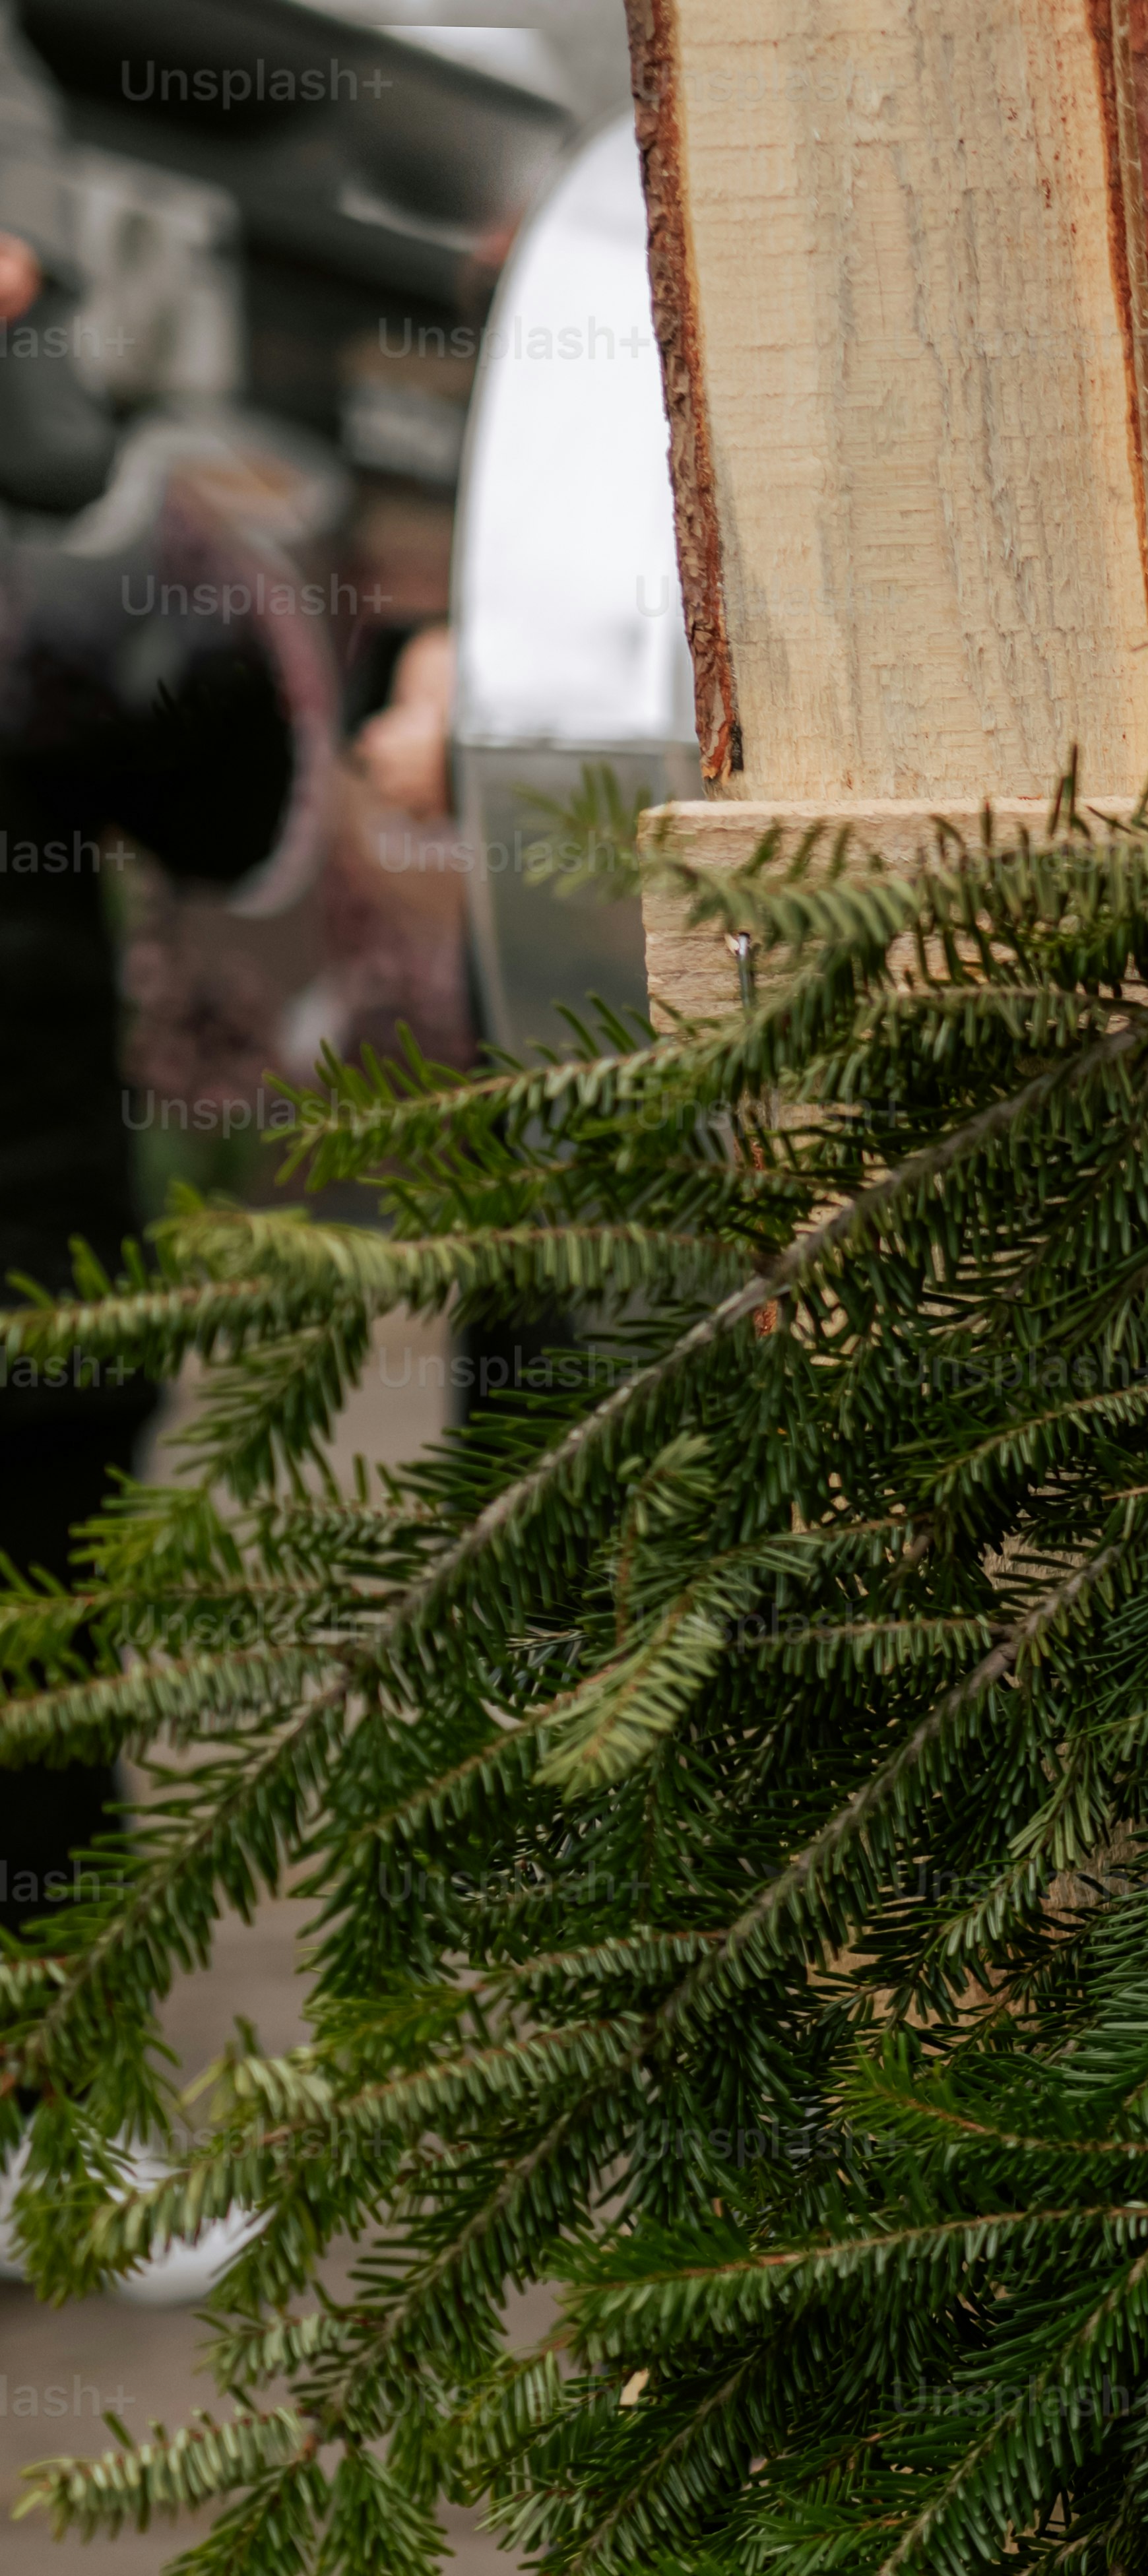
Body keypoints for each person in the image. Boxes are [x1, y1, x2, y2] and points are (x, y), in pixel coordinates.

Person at [0, 26, 291, 1930]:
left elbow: (224, 799)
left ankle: (42, 2101)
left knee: (42, 1705)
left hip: (31, 1247)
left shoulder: (76, 523)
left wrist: (74, 460)